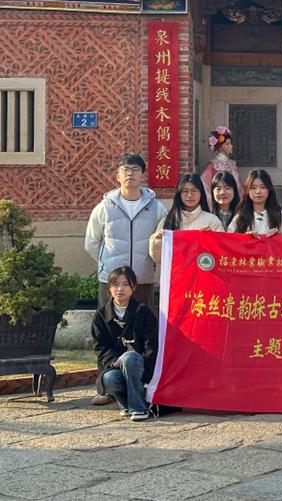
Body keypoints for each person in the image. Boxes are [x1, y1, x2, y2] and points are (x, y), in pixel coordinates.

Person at [85, 153, 167, 310]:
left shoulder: (157, 208)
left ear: (142, 176)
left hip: (142, 279)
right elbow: (91, 242)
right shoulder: (104, 208)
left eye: (135, 169)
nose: (130, 173)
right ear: (118, 176)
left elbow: (162, 243)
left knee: (142, 322)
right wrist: (106, 263)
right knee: (109, 321)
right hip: (112, 280)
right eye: (125, 169)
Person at [91, 266, 159, 422]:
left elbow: (152, 346)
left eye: (125, 284)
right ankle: (127, 405)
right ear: (109, 288)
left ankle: (138, 408)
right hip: (115, 366)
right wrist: (114, 361)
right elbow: (99, 346)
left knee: (130, 358)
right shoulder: (101, 315)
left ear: (133, 287)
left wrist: (145, 371)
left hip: (141, 367)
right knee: (109, 379)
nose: (120, 289)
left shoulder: (144, 313)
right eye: (115, 284)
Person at [148, 173, 223, 264]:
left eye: (194, 191)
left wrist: (210, 240)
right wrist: (157, 240)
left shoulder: (212, 221)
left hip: (202, 272)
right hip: (175, 272)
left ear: (201, 193)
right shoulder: (168, 220)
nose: (189, 195)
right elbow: (158, 259)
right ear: (179, 194)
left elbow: (221, 253)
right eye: (185, 191)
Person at [228, 169, 282, 236]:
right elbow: (230, 240)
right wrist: (244, 238)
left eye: (263, 187)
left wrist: (279, 237)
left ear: (269, 189)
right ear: (247, 190)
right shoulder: (239, 218)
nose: (258, 191)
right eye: (253, 188)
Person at [200, 125, 242, 201]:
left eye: (231, 144)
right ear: (220, 147)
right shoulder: (213, 165)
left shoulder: (232, 164)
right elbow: (203, 184)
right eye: (227, 144)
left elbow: (238, 186)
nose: (231, 146)